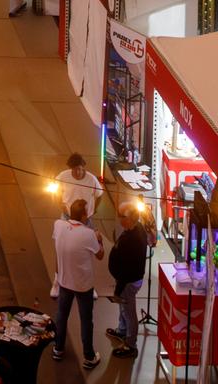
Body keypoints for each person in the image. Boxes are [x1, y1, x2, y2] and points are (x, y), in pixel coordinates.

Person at [52, 197, 105, 369]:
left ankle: (58, 348)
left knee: (62, 315)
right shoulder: (88, 234)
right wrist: (99, 239)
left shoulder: (58, 225)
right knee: (86, 320)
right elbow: (100, 255)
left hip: (64, 280)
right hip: (83, 285)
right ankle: (89, 356)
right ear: (83, 216)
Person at [107, 209, 151, 357]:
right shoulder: (137, 229)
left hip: (128, 282)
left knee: (129, 312)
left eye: (123, 217)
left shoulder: (133, 239)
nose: (120, 219)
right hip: (129, 279)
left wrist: (118, 290)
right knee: (123, 308)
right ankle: (122, 331)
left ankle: (131, 345)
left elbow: (126, 269)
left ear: (130, 220)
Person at [56, 152, 104, 220]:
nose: (77, 172)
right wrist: (60, 204)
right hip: (67, 215)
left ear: (83, 167)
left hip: (85, 217)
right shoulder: (63, 176)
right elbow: (56, 191)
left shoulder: (92, 179)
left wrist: (94, 209)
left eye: (79, 169)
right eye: (74, 170)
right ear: (71, 168)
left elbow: (99, 195)